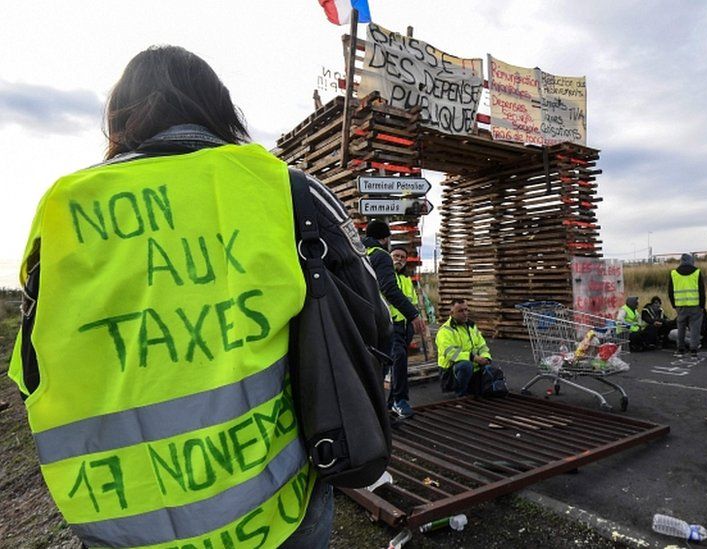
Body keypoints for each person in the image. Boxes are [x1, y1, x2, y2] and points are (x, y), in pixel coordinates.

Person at [5, 46, 382, 548]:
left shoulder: (63, 208)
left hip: (121, 516)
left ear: (120, 118)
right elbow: (371, 318)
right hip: (276, 506)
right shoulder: (283, 189)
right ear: (221, 109)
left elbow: (31, 367)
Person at [363, 221, 427, 419]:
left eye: (402, 257)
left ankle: (384, 406)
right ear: (385, 239)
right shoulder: (380, 257)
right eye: (396, 256)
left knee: (385, 364)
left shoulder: (363, 254)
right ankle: (395, 403)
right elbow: (388, 290)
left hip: (396, 326)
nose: (398, 259)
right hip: (387, 325)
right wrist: (413, 315)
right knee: (393, 362)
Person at [436, 299, 492, 396]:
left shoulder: (472, 326)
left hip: (472, 367)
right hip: (451, 372)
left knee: (489, 368)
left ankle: (472, 389)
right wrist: (473, 358)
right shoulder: (445, 331)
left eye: (466, 310)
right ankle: (460, 394)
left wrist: (486, 358)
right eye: (460, 311)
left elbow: (482, 346)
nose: (465, 313)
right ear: (451, 313)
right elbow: (451, 354)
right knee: (466, 366)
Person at [668, 253, 706, 357]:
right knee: (695, 328)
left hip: (680, 306)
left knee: (681, 327)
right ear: (691, 261)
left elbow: (670, 291)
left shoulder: (674, 273)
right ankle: (693, 349)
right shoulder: (697, 272)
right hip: (695, 305)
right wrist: (702, 305)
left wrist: (674, 305)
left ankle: (680, 348)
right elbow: (701, 291)